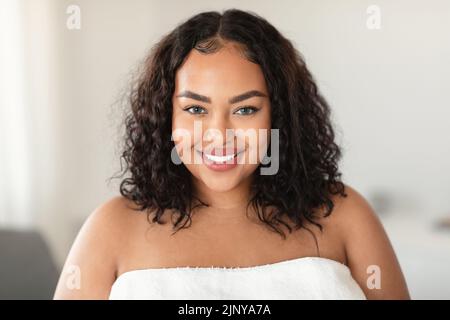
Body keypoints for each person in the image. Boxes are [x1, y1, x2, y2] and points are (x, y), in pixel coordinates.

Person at [54, 9, 410, 300]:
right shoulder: (111, 229)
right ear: (166, 117)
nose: (219, 135)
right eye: (195, 110)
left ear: (280, 115)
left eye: (245, 110)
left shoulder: (346, 216)